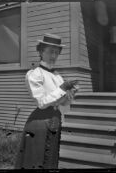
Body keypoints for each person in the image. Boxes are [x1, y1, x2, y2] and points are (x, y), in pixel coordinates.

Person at [15, 33, 79, 169]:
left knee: (50, 161)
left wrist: (69, 96)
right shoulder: (34, 74)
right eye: (50, 51)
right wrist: (62, 88)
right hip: (39, 123)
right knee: (36, 161)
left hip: (55, 121)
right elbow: (42, 102)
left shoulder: (57, 76)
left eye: (57, 52)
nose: (54, 56)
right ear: (41, 51)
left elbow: (62, 105)